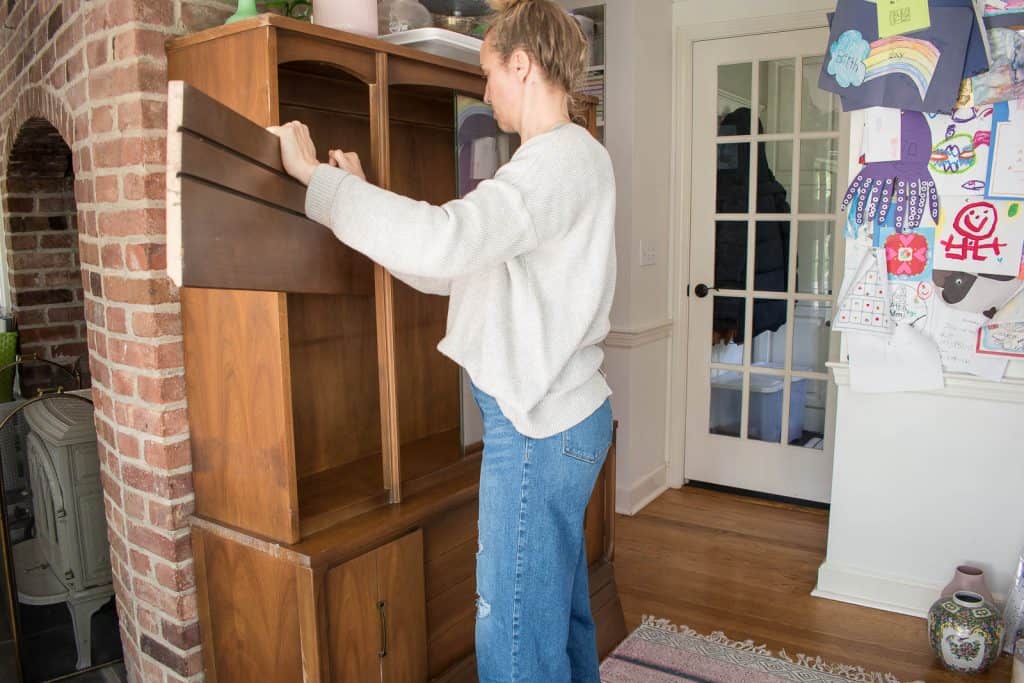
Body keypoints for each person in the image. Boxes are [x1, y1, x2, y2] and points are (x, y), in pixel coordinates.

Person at [268, 0, 616, 680]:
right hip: (562, 420)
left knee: (516, 643)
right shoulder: (572, 161)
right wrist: (360, 200)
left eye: (489, 74)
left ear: (522, 64)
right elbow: (454, 266)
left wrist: (320, 180)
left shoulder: (552, 163)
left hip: (537, 429)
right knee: (556, 621)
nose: (485, 92)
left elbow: (449, 237)